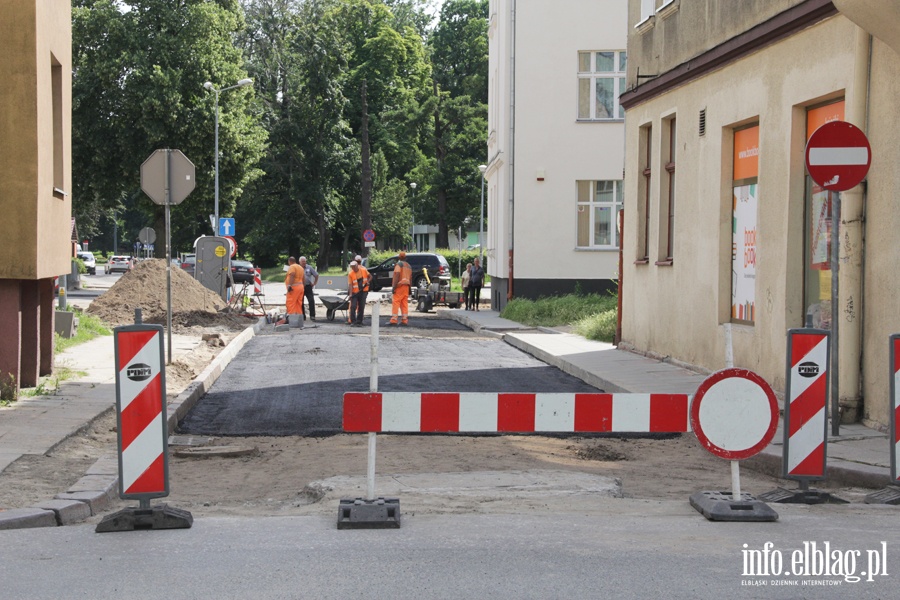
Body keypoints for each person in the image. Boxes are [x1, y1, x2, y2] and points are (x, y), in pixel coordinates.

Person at [390, 251, 413, 325]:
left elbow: (397, 275)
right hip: (406, 286)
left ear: (399, 257)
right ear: (405, 258)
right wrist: (410, 288)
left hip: (399, 286)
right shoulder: (409, 266)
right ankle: (404, 320)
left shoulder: (399, 265)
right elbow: (410, 278)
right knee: (404, 303)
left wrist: (394, 286)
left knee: (396, 302)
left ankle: (394, 320)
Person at [347, 259, 371, 327]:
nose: (353, 268)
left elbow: (370, 277)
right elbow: (350, 284)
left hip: (363, 291)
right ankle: (353, 321)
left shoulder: (363, 270)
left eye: (354, 267)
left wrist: (368, 282)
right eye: (352, 267)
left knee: (361, 306)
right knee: (353, 306)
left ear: (357, 266)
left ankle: (359, 321)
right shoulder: (350, 274)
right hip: (355, 292)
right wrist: (351, 294)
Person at [299, 256, 319, 321]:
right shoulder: (298, 268)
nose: (304, 263)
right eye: (302, 262)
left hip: (308, 286)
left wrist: (314, 283)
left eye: (305, 261)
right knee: (301, 302)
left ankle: (312, 315)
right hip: (300, 287)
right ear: (300, 262)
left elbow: (316, 275)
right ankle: (303, 316)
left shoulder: (309, 267)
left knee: (311, 300)